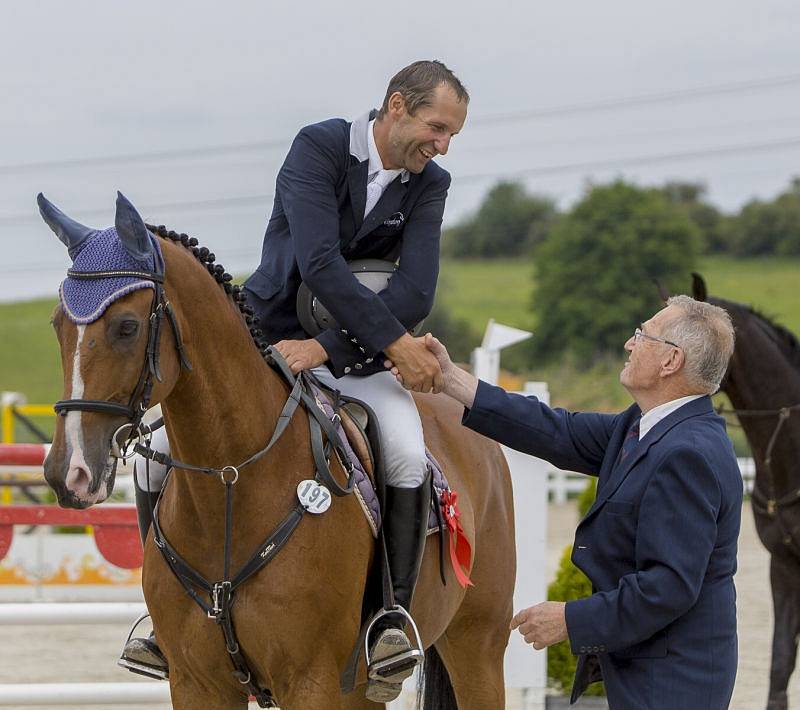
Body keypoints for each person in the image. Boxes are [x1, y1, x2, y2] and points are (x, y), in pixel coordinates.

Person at [123, 60, 469, 704]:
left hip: (354, 358)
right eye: (437, 127)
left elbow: (416, 290)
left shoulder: (430, 184)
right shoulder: (318, 147)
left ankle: (389, 620)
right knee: (155, 453)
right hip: (264, 340)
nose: (443, 144)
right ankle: (162, 618)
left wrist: (333, 347)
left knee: (403, 449)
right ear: (397, 106)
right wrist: (388, 342)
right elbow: (318, 262)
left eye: (451, 135)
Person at [393, 296, 741, 709]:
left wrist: (569, 621)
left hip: (674, 678)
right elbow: (555, 430)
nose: (630, 345)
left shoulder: (689, 454)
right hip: (650, 662)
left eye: (642, 335)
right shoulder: (644, 426)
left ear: (671, 362)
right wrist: (452, 380)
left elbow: (667, 587)